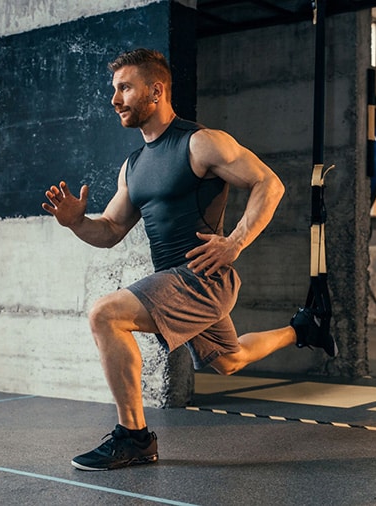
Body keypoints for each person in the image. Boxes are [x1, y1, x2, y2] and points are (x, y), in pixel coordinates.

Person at [42, 48, 337, 471]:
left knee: (105, 314)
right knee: (229, 359)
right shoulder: (134, 166)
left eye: (124, 87)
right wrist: (75, 221)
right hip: (176, 280)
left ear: (156, 90)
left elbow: (269, 185)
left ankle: (135, 438)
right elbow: (109, 230)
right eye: (114, 89)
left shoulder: (199, 143)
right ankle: (302, 328)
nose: (114, 99)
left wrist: (234, 242)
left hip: (203, 278)